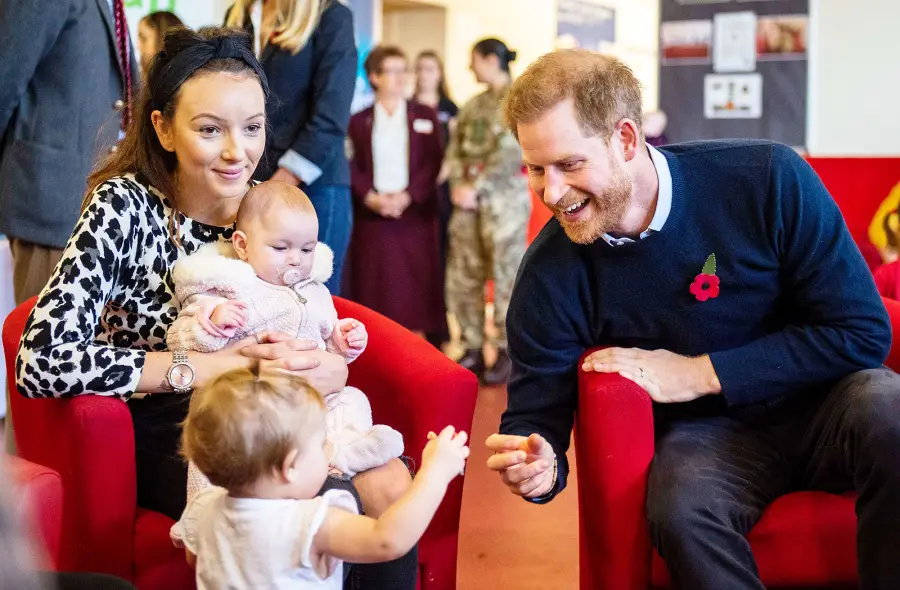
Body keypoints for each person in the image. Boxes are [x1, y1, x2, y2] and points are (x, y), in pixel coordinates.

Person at [15, 27, 417, 589]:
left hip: (286, 405)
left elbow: (313, 312)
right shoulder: (125, 207)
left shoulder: (264, 209)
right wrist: (216, 367)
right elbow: (41, 360)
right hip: (180, 420)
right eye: (210, 129)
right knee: (328, 501)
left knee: (392, 488)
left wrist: (331, 366)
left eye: (252, 128)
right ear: (163, 127)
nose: (237, 152)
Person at [485, 49, 900, 590]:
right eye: (536, 169)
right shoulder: (549, 272)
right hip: (707, 438)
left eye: (569, 164)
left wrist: (699, 372)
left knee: (892, 412)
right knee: (680, 511)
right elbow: (535, 415)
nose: (551, 192)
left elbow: (863, 332)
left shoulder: (767, 177)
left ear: (625, 139)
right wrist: (538, 467)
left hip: (828, 400)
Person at [166, 181, 403, 499]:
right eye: (281, 248)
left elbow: (326, 347)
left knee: (353, 399)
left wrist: (343, 342)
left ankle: (342, 454)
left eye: (307, 250)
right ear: (242, 245)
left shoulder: (315, 292)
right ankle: (205, 506)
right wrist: (213, 322)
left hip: (310, 402)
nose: (295, 260)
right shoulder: (229, 287)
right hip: (248, 403)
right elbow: (180, 340)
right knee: (217, 426)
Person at [172, 367, 468, 589]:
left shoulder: (203, 510)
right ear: (290, 466)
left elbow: (196, 560)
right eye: (320, 443)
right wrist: (435, 472)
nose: (327, 450)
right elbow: (388, 540)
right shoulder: (309, 523)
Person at [0, 0, 137, 453]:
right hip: (52, 203)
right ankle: (29, 486)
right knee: (43, 370)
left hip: (93, 204)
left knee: (75, 384)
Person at [225, 0, 358, 296]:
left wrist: (278, 185)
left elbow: (331, 115)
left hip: (314, 186)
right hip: (249, 182)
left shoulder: (331, 17)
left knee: (310, 299)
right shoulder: (239, 15)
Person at [445, 38, 531, 384]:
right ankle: (472, 347)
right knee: (465, 274)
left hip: (503, 202)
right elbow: (455, 150)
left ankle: (507, 351)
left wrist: (476, 187)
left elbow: (511, 150)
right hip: (467, 204)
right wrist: (458, 186)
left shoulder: (520, 100)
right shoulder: (473, 105)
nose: (470, 68)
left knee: (507, 276)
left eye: (475, 60)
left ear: (491, 60)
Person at [346, 46, 446, 337]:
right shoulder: (358, 121)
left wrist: (408, 196)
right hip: (373, 216)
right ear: (375, 77)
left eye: (405, 71)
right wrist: (370, 197)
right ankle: (374, 343)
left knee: (416, 288)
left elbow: (433, 161)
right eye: (393, 71)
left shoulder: (424, 114)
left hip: (414, 215)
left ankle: (418, 347)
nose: (402, 78)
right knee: (376, 286)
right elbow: (350, 163)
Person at [414, 50, 458, 348]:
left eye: (430, 68)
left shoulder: (449, 109)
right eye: (420, 68)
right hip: (413, 193)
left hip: (440, 191)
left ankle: (439, 328)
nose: (424, 74)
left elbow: (455, 152)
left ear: (440, 73)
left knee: (440, 257)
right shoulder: (408, 107)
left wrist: (435, 179)